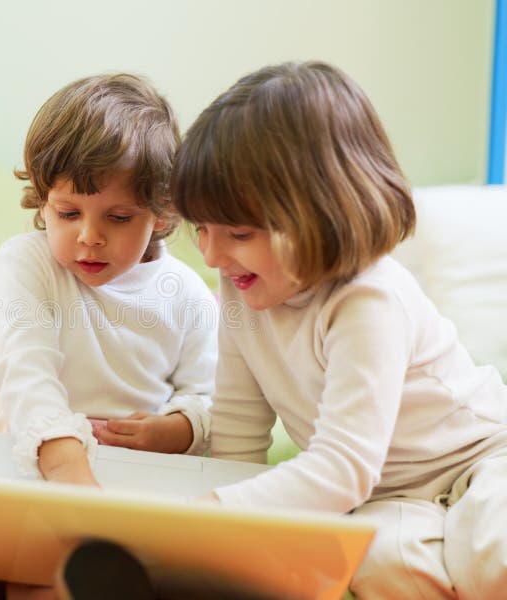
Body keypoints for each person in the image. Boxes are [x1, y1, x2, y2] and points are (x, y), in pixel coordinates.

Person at [170, 60, 507, 599]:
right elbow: (237, 432)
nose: (211, 254)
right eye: (201, 229)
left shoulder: (366, 299)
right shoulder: (240, 287)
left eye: (237, 231)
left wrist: (212, 513)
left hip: (480, 459)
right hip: (388, 496)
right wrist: (221, 538)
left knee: (495, 561)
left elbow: (343, 465)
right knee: (382, 569)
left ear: (320, 215)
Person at [0, 73, 217, 486]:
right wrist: (69, 470)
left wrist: (178, 430)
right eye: (68, 214)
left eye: (119, 217)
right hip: (29, 469)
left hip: (143, 477)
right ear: (43, 200)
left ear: (161, 211)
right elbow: (24, 374)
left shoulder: (188, 293)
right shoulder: (25, 262)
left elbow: (209, 396)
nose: (89, 237)